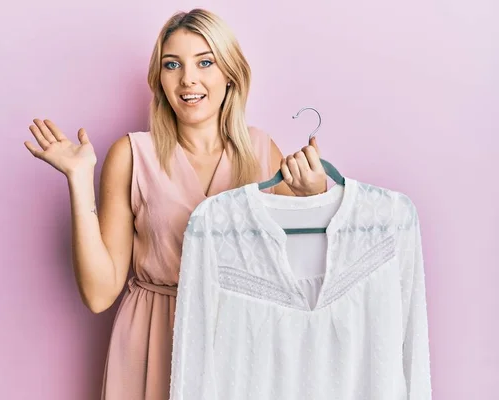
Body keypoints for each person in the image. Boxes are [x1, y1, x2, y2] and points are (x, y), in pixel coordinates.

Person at [24, 8, 329, 400]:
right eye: (173, 65)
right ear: (160, 80)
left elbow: (308, 278)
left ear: (230, 75)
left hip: (239, 340)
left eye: (205, 62)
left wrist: (315, 198)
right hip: (151, 341)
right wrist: (79, 179)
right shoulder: (132, 155)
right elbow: (99, 293)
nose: (189, 79)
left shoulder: (262, 152)